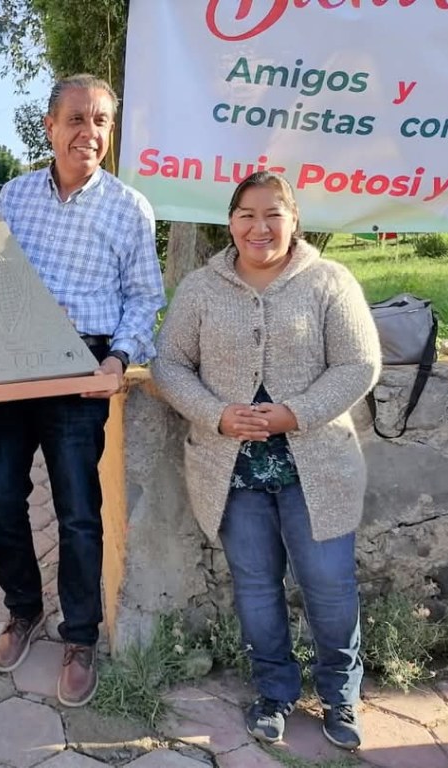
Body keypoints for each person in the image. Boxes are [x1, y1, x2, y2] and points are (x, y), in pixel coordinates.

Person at [0, 73, 165, 707]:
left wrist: (119, 359)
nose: (88, 132)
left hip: (82, 376)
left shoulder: (129, 208)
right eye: (75, 119)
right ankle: (23, 610)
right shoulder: (12, 197)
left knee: (77, 511)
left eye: (100, 121)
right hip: (12, 372)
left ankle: (79, 636)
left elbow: (144, 299)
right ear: (49, 126)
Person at [152, 171, 380, 750]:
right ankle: (275, 691)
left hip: (318, 469)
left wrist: (293, 413)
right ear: (230, 222)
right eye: (246, 214)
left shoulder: (330, 281)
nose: (259, 226)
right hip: (233, 473)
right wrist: (217, 415)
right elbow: (169, 364)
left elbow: (359, 364)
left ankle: (340, 694)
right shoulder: (203, 289)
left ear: (295, 219)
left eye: (273, 213)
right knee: (256, 588)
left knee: (329, 585)